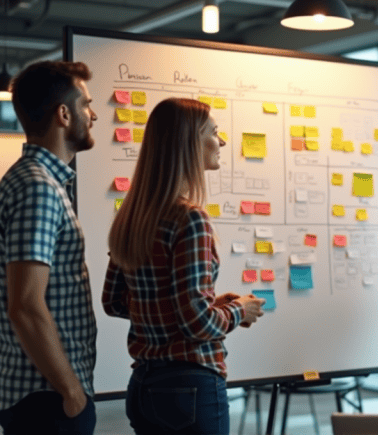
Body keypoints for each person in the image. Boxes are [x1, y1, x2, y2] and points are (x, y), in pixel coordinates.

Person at [102, 98, 265, 434]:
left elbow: (114, 301)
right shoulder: (190, 218)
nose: (221, 142)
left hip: (144, 386)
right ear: (190, 142)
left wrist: (204, 305)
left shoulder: (131, 216)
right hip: (190, 388)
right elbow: (198, 325)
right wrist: (239, 309)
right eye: (214, 132)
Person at [0, 61, 98, 434]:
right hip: (47, 402)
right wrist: (71, 391)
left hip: (47, 399)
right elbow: (25, 304)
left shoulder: (42, 182)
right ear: (63, 114)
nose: (92, 115)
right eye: (86, 104)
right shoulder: (38, 187)